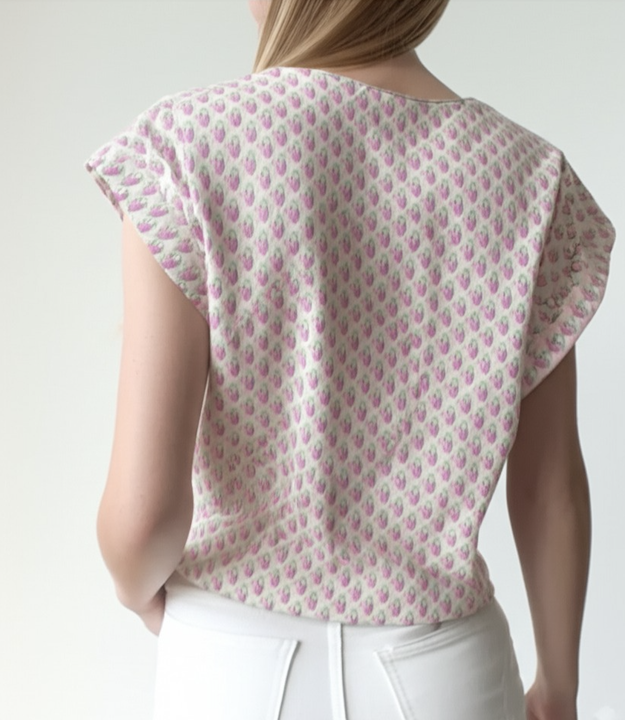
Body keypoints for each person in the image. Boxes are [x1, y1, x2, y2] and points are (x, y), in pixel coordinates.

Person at [83, 1, 617, 718]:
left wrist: (144, 597)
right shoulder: (531, 177)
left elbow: (141, 521)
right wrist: (558, 689)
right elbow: (550, 489)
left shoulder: (188, 145)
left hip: (233, 660)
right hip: (443, 667)